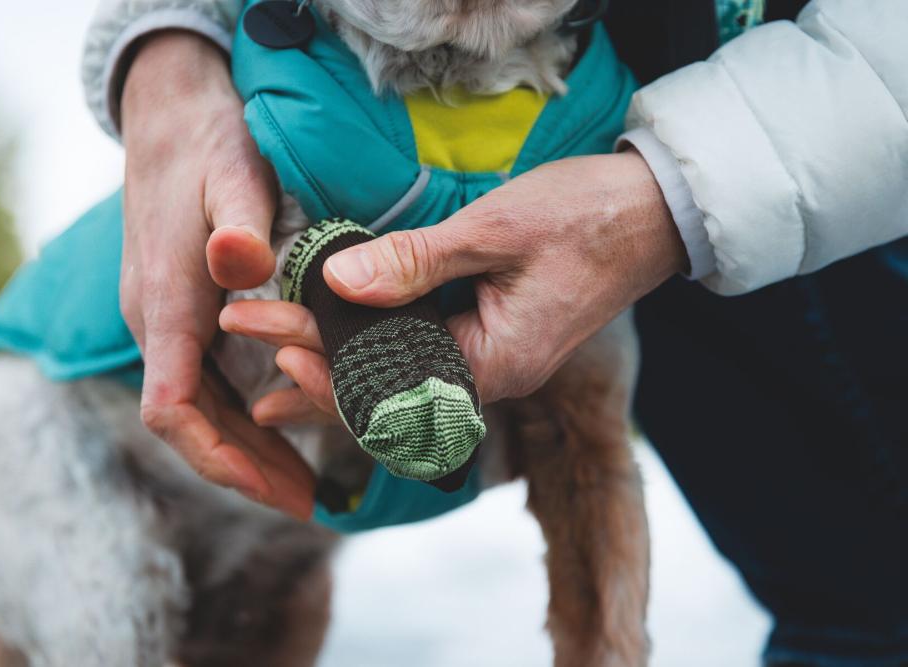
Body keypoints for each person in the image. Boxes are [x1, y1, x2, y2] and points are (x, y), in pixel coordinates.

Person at [79, 0, 906, 664]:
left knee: (858, 611)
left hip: (766, 187)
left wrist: (667, 201)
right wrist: (162, 47)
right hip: (109, 424)